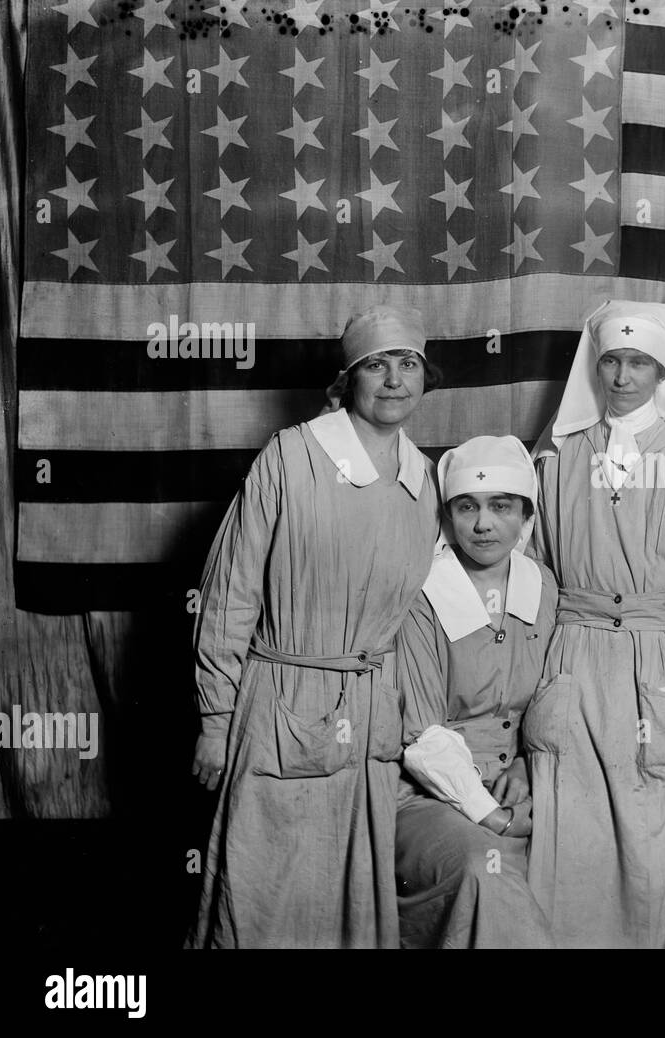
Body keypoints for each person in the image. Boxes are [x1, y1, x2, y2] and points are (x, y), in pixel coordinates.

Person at [189, 304, 442, 948]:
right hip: (280, 707)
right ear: (346, 381)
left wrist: (418, 723)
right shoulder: (290, 456)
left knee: (352, 897)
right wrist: (216, 720)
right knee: (262, 893)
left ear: (424, 378)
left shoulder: (427, 481)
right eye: (375, 365)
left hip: (369, 719)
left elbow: (415, 619)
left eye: (407, 363)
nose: (393, 379)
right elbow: (230, 592)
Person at [525, 300, 665, 948]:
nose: (622, 377)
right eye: (612, 361)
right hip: (571, 661)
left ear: (662, 370)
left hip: (656, 668)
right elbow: (533, 579)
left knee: (649, 842)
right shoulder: (555, 461)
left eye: (639, 362)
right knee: (568, 842)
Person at [393, 435, 555, 948]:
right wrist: (494, 817)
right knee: (485, 873)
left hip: (525, 784)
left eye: (500, 506)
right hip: (432, 796)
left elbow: (554, 698)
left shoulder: (544, 588)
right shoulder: (423, 595)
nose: (483, 524)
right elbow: (420, 735)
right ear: (448, 516)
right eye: (467, 507)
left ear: (525, 514)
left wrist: (531, 765)